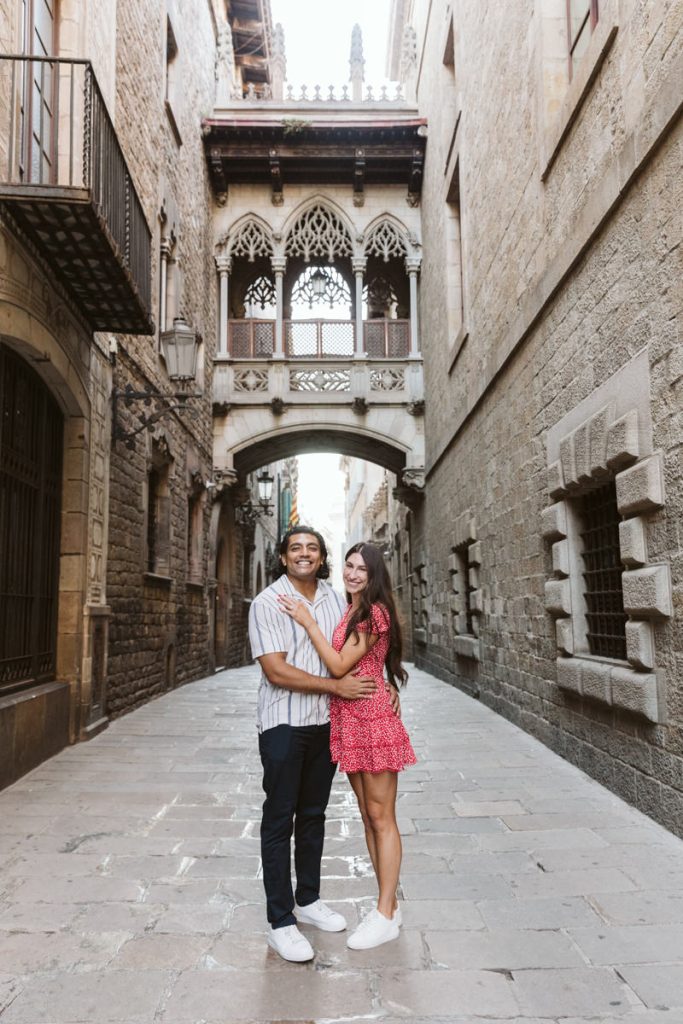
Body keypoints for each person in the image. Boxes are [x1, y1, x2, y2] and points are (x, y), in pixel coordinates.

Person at [248, 525, 399, 963]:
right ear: (282, 556)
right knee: (280, 818)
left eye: (312, 548)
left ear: (320, 557)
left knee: (313, 814)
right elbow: (277, 672)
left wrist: (385, 680)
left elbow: (363, 646)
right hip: (283, 723)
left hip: (325, 726)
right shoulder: (267, 603)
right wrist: (337, 689)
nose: (304, 554)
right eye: (295, 547)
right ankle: (281, 921)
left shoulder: (339, 600)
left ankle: (308, 899)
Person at [278, 540, 416, 951]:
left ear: (375, 575)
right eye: (350, 566)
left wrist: (308, 622)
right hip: (349, 718)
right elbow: (365, 662)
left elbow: (339, 666)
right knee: (367, 814)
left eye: (363, 569)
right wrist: (389, 679)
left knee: (381, 816)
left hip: (371, 718)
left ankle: (385, 912)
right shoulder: (350, 607)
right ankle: (387, 905)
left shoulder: (374, 612)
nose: (353, 574)